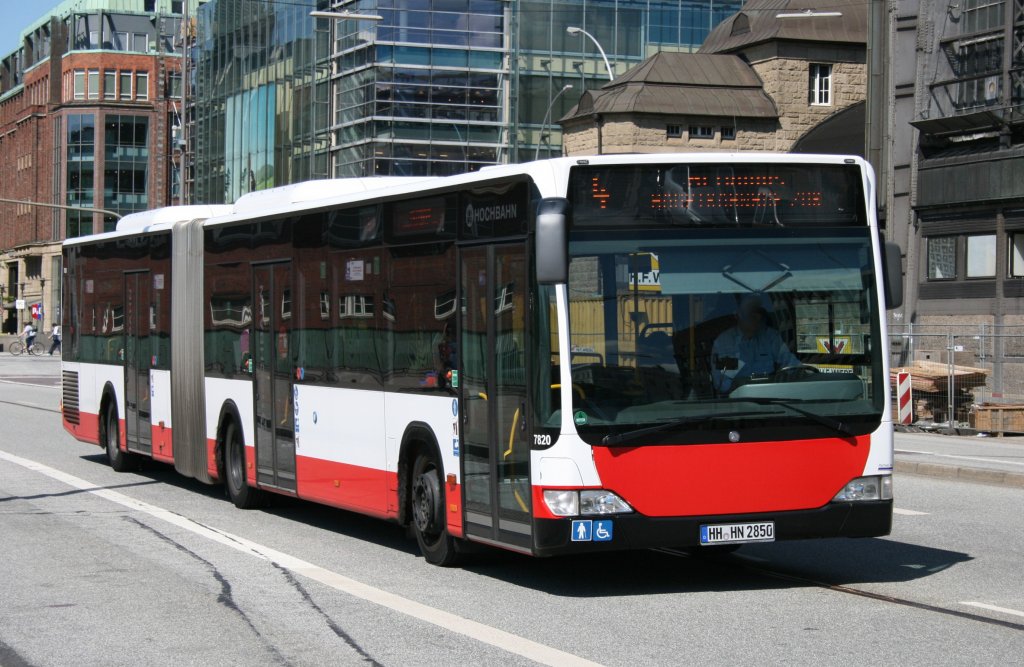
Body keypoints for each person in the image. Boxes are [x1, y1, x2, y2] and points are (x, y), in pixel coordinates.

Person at [711, 295, 800, 394]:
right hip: (737, 401)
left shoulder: (770, 337)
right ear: (738, 315)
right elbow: (721, 385)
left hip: (772, 397)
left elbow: (793, 366)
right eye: (750, 314)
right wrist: (736, 356)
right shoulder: (724, 342)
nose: (756, 319)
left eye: (758, 314)